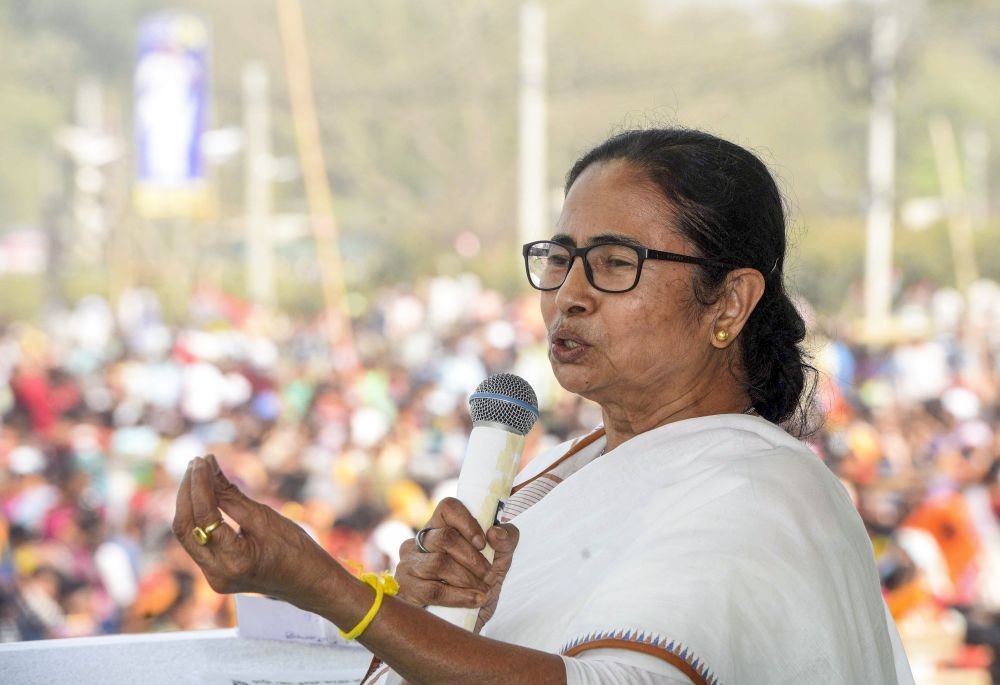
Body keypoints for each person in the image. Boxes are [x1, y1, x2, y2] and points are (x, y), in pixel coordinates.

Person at [174, 128, 914, 684]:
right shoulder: (591, 466)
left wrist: (327, 588)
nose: (569, 293)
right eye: (561, 257)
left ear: (730, 301)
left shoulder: (756, 492)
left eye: (616, 263)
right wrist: (435, 612)